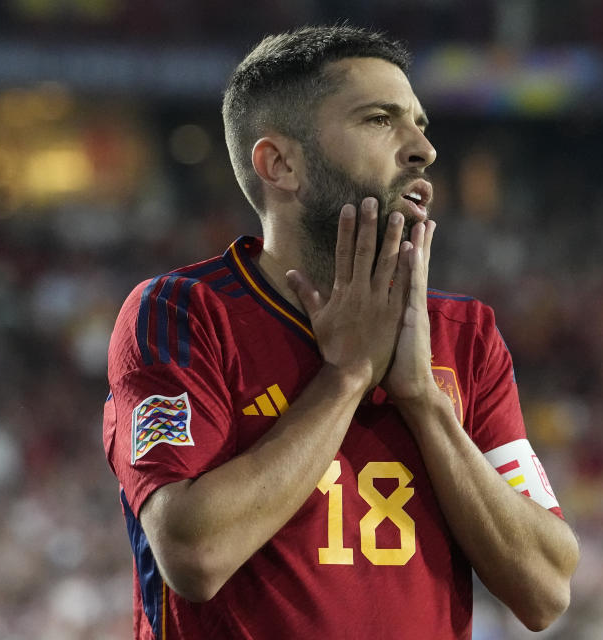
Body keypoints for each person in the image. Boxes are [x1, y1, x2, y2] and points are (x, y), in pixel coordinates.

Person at [103, 24, 579, 639]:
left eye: (420, 123)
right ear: (281, 164)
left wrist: (424, 404)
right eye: (380, 120)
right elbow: (193, 556)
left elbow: (547, 590)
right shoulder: (183, 314)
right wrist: (346, 377)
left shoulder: (464, 334)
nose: (422, 150)